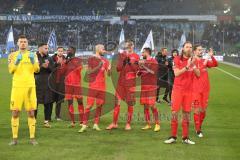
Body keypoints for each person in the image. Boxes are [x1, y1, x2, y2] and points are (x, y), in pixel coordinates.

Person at [164, 41, 200, 145]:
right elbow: (176, 73)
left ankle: (185, 137)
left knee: (186, 114)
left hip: (189, 91)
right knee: (174, 113)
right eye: (187, 47)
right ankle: (173, 136)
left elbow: (198, 74)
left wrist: (193, 65)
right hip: (178, 90)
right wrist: (187, 66)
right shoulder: (176, 59)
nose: (189, 49)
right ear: (183, 49)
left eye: (190, 47)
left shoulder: (194, 60)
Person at [8, 35, 40, 145]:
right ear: (17, 43)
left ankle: (32, 138)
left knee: (31, 113)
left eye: (25, 42)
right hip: (17, 87)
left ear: (27, 44)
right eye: (21, 42)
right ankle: (15, 139)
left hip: (30, 87)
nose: (23, 43)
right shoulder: (12, 55)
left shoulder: (33, 55)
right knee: (15, 113)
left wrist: (32, 61)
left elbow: (37, 69)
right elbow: (11, 70)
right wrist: (16, 62)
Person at [106, 40, 139, 130]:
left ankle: (128, 124)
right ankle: (114, 123)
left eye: (131, 45)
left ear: (133, 46)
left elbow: (136, 70)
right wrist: (124, 61)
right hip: (121, 82)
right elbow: (118, 68)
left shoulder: (136, 56)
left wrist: (129, 61)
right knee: (117, 102)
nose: (129, 47)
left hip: (131, 83)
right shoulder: (122, 55)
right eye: (128, 45)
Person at [79, 44, 111, 132]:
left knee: (99, 105)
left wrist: (109, 70)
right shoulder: (91, 59)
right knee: (89, 105)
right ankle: (84, 125)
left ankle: (96, 124)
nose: (104, 50)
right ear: (98, 49)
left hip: (102, 86)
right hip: (93, 86)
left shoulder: (105, 60)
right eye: (103, 49)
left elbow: (108, 74)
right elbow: (89, 72)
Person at [192, 45, 218, 138]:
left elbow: (215, 64)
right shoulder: (192, 61)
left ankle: (199, 126)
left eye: (201, 50)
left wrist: (211, 56)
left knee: (203, 111)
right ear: (194, 51)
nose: (201, 51)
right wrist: (206, 59)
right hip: (195, 90)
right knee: (197, 110)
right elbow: (198, 72)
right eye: (199, 50)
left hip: (205, 90)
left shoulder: (204, 61)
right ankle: (198, 130)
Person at [138, 48, 160, 132]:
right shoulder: (143, 62)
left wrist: (143, 66)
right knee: (145, 105)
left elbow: (153, 72)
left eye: (143, 52)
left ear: (147, 52)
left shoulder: (153, 61)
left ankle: (157, 124)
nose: (141, 53)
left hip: (151, 87)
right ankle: (148, 124)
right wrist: (139, 69)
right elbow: (139, 73)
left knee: (152, 105)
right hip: (144, 87)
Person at [34, 43, 55, 128]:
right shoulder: (34, 57)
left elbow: (53, 70)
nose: (47, 50)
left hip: (47, 84)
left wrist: (48, 67)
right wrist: (42, 66)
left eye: (47, 48)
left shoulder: (49, 58)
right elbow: (32, 70)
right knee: (34, 104)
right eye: (45, 48)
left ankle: (46, 121)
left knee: (48, 103)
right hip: (36, 84)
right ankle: (33, 121)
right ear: (40, 48)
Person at [64, 46, 84, 127]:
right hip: (68, 85)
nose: (68, 51)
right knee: (70, 102)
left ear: (74, 51)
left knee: (80, 101)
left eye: (70, 50)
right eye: (68, 50)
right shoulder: (66, 61)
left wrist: (71, 60)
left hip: (76, 84)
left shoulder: (77, 60)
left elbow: (79, 69)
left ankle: (82, 121)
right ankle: (72, 121)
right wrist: (65, 62)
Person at [51, 47, 66, 121]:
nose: (60, 52)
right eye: (59, 51)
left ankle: (57, 116)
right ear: (56, 51)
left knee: (59, 100)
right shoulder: (52, 58)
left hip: (61, 83)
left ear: (63, 52)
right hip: (53, 83)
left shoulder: (65, 59)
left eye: (61, 51)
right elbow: (50, 69)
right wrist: (56, 64)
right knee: (50, 100)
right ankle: (48, 116)